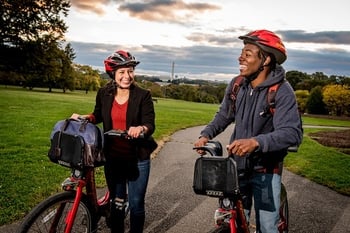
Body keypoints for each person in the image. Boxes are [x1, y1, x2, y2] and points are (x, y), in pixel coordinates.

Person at [194, 30, 303, 233]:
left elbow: (292, 132)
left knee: (268, 227)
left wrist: (256, 142)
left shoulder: (281, 91)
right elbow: (224, 115)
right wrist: (206, 134)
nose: (240, 57)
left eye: (248, 53)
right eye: (241, 52)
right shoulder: (237, 84)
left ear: (266, 59)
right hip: (236, 168)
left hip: (266, 170)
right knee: (231, 219)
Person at [71, 50, 157, 233]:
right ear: (113, 74)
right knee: (117, 203)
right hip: (114, 157)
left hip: (137, 158)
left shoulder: (143, 95)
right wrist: (84, 117)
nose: (127, 76)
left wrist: (140, 129)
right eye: (122, 72)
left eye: (130, 71)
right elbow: (98, 114)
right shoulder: (104, 93)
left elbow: (150, 123)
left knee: (135, 204)